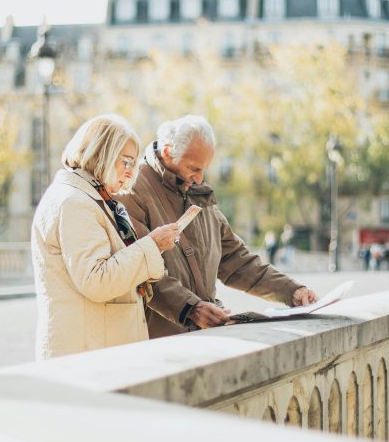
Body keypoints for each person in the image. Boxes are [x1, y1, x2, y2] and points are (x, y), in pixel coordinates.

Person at [117, 115, 319, 338]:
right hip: (158, 341)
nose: (200, 178)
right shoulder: (131, 188)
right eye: (193, 168)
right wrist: (191, 309)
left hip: (204, 336)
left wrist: (292, 291)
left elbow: (236, 261)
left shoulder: (198, 191)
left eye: (204, 169)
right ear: (167, 152)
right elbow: (140, 270)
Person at [31, 114, 180, 359]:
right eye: (127, 162)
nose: (132, 173)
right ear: (102, 153)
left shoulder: (89, 197)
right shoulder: (75, 203)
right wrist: (152, 245)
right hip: (88, 356)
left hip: (95, 348)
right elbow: (96, 280)